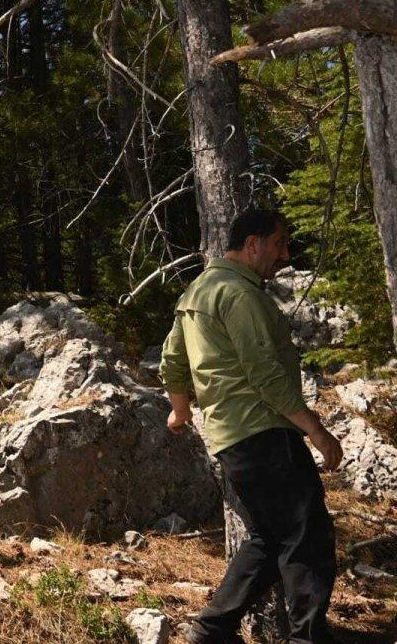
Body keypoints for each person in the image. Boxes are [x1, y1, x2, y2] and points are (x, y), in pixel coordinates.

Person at [160, 209, 342, 644]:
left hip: (230, 439)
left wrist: (181, 411)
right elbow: (264, 373)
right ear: (252, 244)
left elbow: (171, 360)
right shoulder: (239, 294)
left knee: (269, 534)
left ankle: (210, 630)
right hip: (265, 431)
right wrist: (315, 429)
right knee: (307, 540)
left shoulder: (197, 291)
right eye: (278, 243)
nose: (284, 254)